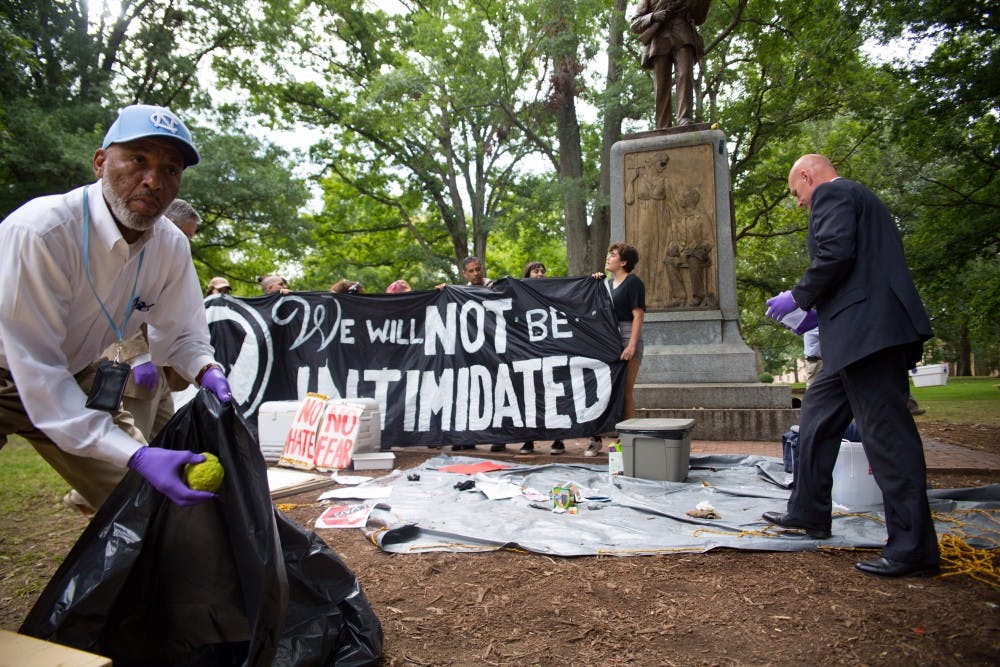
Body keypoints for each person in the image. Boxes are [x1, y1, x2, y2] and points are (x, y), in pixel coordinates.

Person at [0, 104, 233, 513]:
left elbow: (182, 332)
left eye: (170, 170)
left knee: (144, 500)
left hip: (78, 372)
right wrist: (135, 453)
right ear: (100, 162)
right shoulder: (43, 231)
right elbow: (38, 370)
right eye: (139, 159)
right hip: (10, 370)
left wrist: (205, 368)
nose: (153, 180)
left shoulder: (170, 244)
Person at [763, 153, 939, 578]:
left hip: (870, 339)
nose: (800, 203)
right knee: (816, 417)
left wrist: (799, 297)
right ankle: (808, 511)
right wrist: (815, 314)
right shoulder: (858, 199)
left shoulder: (833, 193)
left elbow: (835, 254)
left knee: (888, 440)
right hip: (852, 339)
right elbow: (858, 268)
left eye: (796, 193)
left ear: (807, 176)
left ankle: (913, 548)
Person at [588, 243, 646, 457]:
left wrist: (631, 344)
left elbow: (638, 315)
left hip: (627, 335)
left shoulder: (633, 283)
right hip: (608, 338)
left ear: (623, 262)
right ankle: (595, 437)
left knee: (625, 392)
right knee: (602, 389)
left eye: (612, 255)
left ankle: (628, 439)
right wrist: (593, 283)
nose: (608, 257)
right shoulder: (607, 284)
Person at [630, 0, 712, 128]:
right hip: (659, 39)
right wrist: (654, 16)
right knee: (661, 85)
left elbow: (699, 17)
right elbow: (635, 24)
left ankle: (684, 119)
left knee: (685, 75)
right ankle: (663, 125)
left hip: (683, 34)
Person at [518, 261, 566, 455]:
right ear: (528, 275)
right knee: (530, 397)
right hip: (528, 353)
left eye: (542, 271)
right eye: (535, 271)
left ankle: (558, 439)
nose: (540, 274)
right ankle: (528, 440)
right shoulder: (518, 294)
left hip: (551, 352)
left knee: (554, 396)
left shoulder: (553, 292)